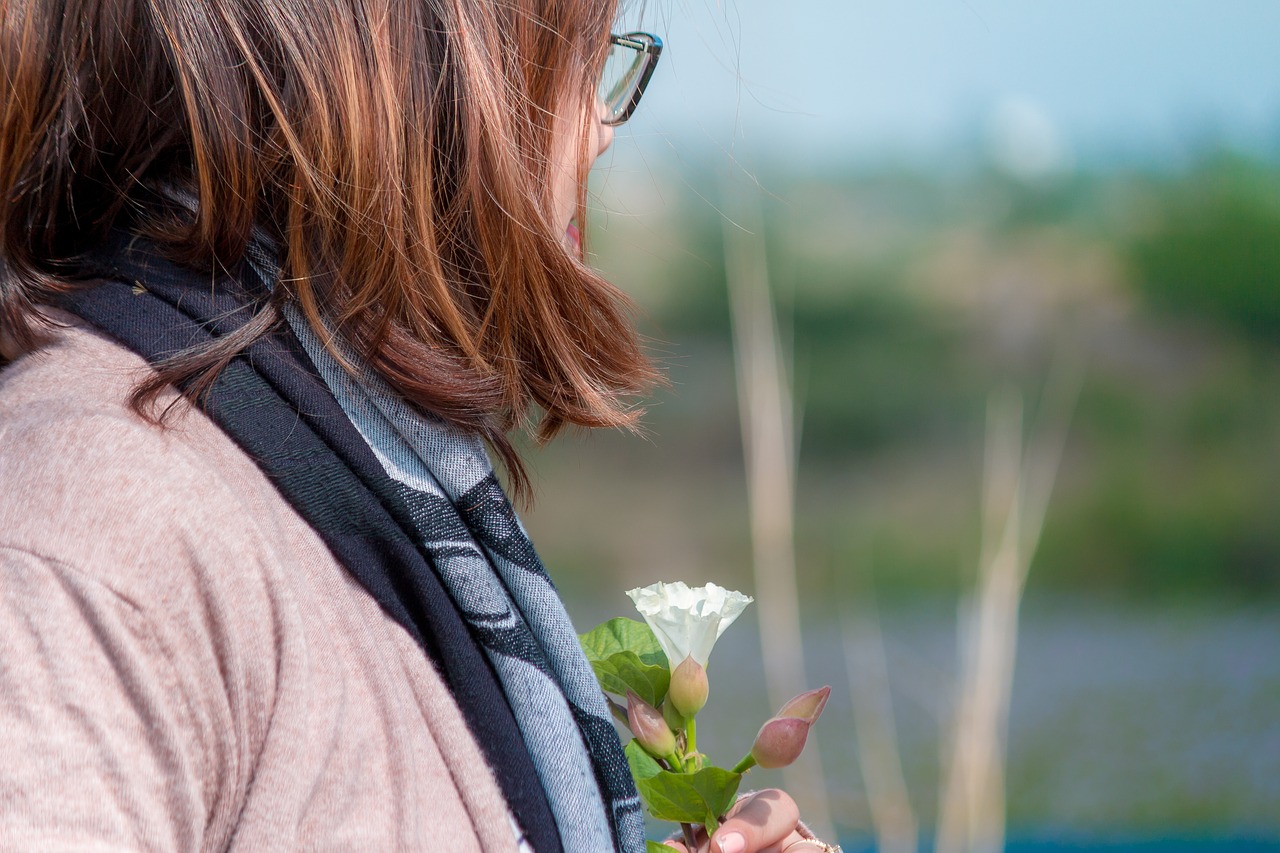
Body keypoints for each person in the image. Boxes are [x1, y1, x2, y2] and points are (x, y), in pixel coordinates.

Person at [0, 0, 833, 850]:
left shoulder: (342, 462)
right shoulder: (100, 520)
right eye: (572, 56)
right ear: (401, 57)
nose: (601, 128)